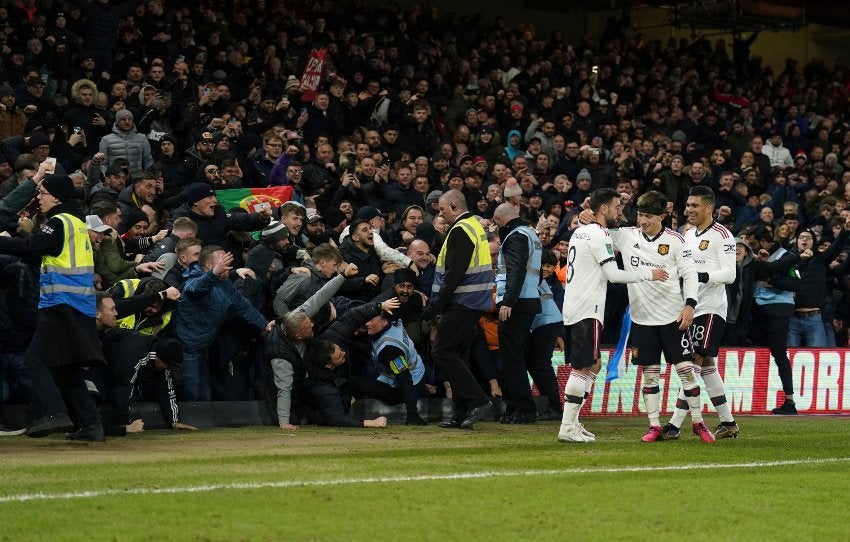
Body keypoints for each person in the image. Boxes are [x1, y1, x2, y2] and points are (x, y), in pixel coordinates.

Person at [0, 174, 105, 440]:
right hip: (78, 303)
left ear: (57, 196)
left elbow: (31, 247)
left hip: (59, 304)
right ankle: (92, 425)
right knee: (66, 367)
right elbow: (42, 252)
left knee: (35, 360)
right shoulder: (77, 222)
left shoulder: (59, 221)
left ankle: (55, 412)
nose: (39, 197)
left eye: (43, 192)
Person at [561, 188, 667, 443]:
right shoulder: (598, 234)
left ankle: (573, 422)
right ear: (604, 209)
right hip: (587, 307)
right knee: (583, 366)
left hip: (577, 304)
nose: (621, 212)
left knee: (593, 364)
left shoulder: (580, 231)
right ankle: (566, 427)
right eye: (617, 207)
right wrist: (648, 274)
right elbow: (614, 275)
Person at [609, 191, 712, 443]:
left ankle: (698, 422)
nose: (642, 221)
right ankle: (654, 425)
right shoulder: (625, 236)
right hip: (642, 319)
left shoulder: (677, 241)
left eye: (648, 216)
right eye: (640, 215)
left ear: (663, 216)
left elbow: (689, 275)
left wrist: (690, 305)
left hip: (672, 317)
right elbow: (596, 231)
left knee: (687, 371)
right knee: (650, 374)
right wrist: (586, 215)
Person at [665, 186, 740, 440]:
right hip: (690, 306)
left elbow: (730, 275)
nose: (689, 210)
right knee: (707, 363)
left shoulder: (723, 236)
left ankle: (674, 425)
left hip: (711, 308)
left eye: (695, 205)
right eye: (688, 205)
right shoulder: (687, 235)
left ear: (709, 208)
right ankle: (728, 423)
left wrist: (700, 275)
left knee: (693, 359)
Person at [422, 190, 494, 429]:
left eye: (442, 209)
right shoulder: (474, 225)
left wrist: (436, 306)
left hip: (462, 302)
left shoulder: (461, 230)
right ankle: (460, 413)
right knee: (458, 355)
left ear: (454, 206)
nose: (439, 214)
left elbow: (454, 273)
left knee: (441, 351)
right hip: (473, 301)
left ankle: (478, 401)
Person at [491, 202, 542, 424]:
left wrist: (508, 301)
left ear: (501, 221)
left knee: (511, 359)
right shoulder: (531, 234)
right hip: (528, 300)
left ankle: (523, 408)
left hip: (516, 303)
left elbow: (515, 270)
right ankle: (520, 407)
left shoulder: (515, 237)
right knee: (516, 357)